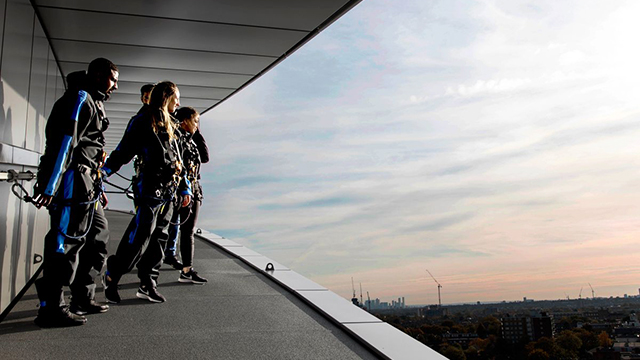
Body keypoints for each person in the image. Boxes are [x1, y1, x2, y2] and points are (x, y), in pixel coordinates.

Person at [31, 58, 118, 327]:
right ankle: (51, 308)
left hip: (89, 184)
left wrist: (99, 185)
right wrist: (49, 186)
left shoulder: (95, 100)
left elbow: (89, 149)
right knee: (65, 242)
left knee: (98, 238)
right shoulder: (79, 99)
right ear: (98, 75)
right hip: (72, 182)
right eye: (112, 79)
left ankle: (82, 296)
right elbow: (64, 144)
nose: (115, 85)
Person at [101, 81, 191, 304]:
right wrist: (102, 173)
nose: (179, 102)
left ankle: (147, 283)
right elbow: (123, 152)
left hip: (169, 193)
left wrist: (184, 188)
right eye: (176, 97)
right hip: (149, 190)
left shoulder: (173, 125)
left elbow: (178, 161)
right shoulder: (141, 121)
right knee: (139, 237)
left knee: (159, 239)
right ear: (166, 97)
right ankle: (113, 274)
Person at [162, 107, 208, 284]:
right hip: (180, 192)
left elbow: (204, 157)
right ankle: (148, 275)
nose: (197, 125)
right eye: (195, 121)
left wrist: (196, 131)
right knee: (165, 229)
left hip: (194, 191)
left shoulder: (190, 141)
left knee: (187, 231)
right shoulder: (176, 140)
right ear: (184, 121)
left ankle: (187, 270)